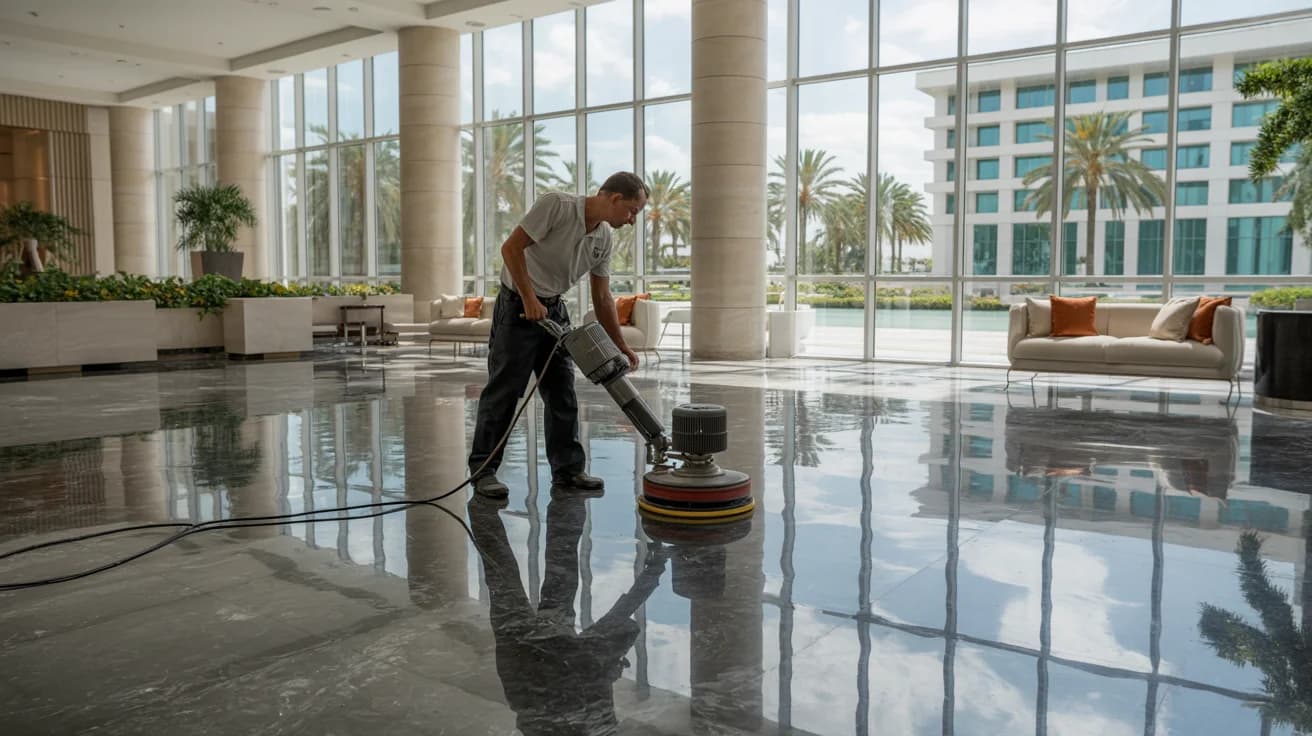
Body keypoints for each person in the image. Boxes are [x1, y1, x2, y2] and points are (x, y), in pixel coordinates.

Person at [468, 172, 649, 499]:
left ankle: (568, 470)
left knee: (562, 393)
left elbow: (603, 297)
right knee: (505, 392)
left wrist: (621, 345)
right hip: (518, 307)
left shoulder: (603, 237)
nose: (633, 220)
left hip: (553, 310)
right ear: (614, 199)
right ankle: (484, 471)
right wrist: (528, 297)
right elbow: (511, 249)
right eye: (632, 211)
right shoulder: (557, 205)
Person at [467, 494, 667, 735]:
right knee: (506, 570)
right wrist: (651, 576)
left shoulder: (589, 678)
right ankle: (492, 510)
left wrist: (652, 574)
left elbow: (617, 619)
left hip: (528, 646)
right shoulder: (587, 680)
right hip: (526, 654)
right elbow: (616, 620)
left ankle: (562, 501)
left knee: (531, 567)